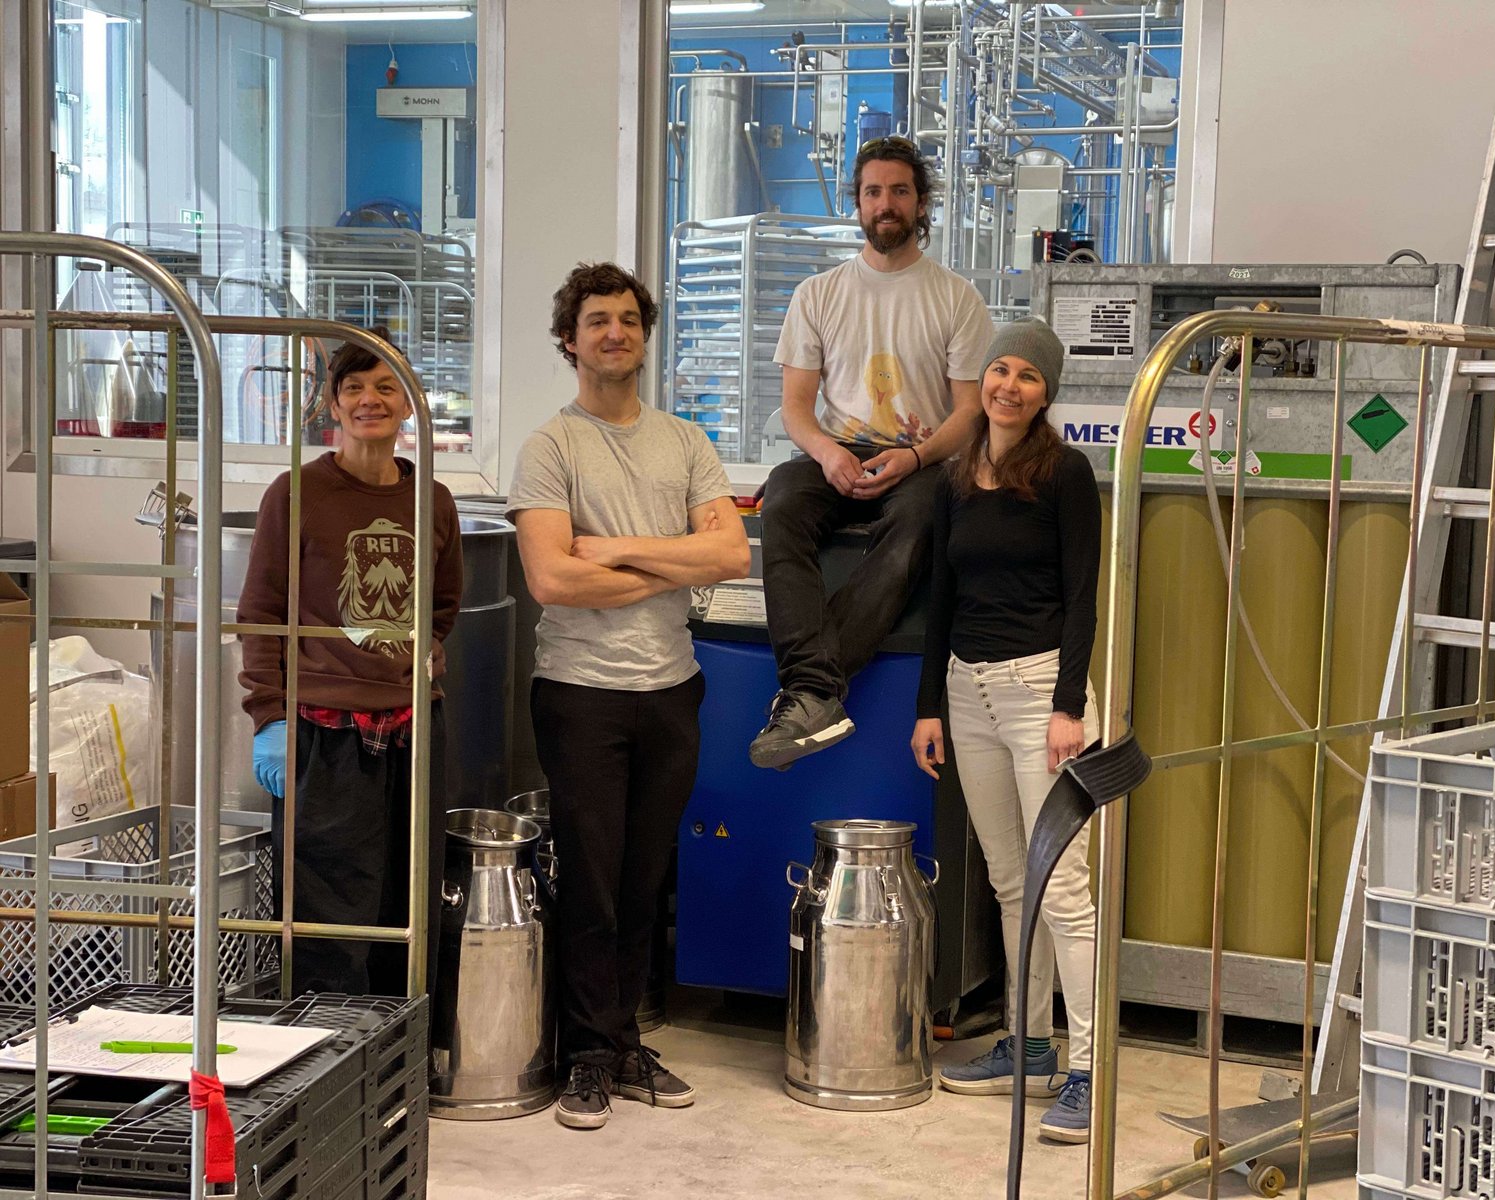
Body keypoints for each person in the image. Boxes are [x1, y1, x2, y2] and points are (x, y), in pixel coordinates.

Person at [508, 262, 748, 1131]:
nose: (615, 333)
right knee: (593, 881)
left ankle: (625, 1042)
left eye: (629, 320)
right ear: (569, 341)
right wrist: (671, 563)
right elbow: (551, 579)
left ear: (645, 337)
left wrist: (612, 549)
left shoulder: (685, 441)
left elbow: (731, 556)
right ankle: (586, 1055)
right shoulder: (551, 447)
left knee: (645, 880)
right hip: (581, 693)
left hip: (671, 688)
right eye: (597, 321)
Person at [909, 318, 1101, 1144]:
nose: (1009, 386)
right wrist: (928, 706)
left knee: (1063, 890)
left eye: (1027, 375)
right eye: (1000, 370)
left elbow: (1084, 596)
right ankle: (1030, 1046)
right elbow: (940, 601)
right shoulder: (955, 478)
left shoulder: (1065, 473)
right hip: (968, 693)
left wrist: (1068, 708)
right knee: (1009, 882)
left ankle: (1089, 1071)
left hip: (1039, 694)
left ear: (1046, 393)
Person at [749, 135, 995, 770]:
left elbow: (970, 413)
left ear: (921, 203)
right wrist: (827, 454)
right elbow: (797, 408)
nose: (886, 204)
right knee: (782, 502)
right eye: (874, 192)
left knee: (920, 519)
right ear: (857, 203)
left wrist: (916, 458)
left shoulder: (956, 298)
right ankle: (816, 690)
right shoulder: (818, 294)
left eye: (900, 191)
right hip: (836, 451)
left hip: (923, 459)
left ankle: (810, 692)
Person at [238, 330, 463, 998]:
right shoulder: (296, 493)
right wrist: (269, 715)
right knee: (328, 923)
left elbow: (443, 603)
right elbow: (261, 611)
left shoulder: (433, 499)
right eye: (355, 387)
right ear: (332, 404)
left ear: (409, 402)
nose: (371, 400)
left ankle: (399, 1053)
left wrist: (414, 660)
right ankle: (330, 1057)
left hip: (413, 733)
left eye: (387, 386)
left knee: (408, 905)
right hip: (324, 736)